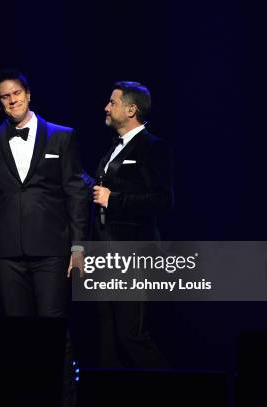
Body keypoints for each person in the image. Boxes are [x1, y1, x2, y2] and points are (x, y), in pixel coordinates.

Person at [0, 69, 88, 406]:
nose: (12, 100)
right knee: (16, 331)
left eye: (17, 93)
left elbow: (75, 193)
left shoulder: (62, 136)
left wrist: (79, 246)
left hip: (52, 248)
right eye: (4, 96)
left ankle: (64, 399)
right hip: (6, 250)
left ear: (28, 94)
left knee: (53, 328)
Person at [90, 80, 174, 367]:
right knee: (107, 337)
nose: (106, 107)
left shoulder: (153, 147)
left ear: (131, 109)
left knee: (130, 334)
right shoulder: (113, 149)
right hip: (104, 254)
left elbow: (162, 200)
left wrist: (115, 200)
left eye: (112, 102)